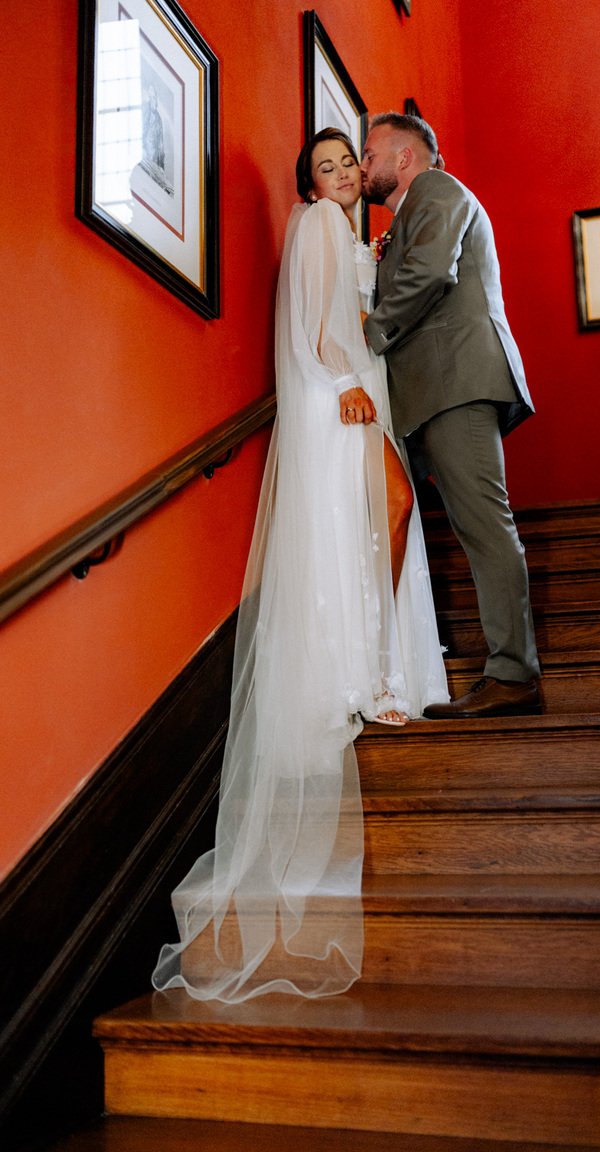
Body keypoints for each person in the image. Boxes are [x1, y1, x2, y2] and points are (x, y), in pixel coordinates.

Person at [151, 128, 448, 1002]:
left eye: (349, 161)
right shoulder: (318, 223)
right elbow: (317, 325)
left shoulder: (356, 237)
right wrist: (343, 379)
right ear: (311, 184)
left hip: (356, 390)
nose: (344, 173)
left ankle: (375, 670)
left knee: (368, 526)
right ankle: (371, 675)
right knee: (388, 509)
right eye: (327, 166)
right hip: (337, 396)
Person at [361, 113, 542, 719]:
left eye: (370, 154)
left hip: (455, 383)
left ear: (405, 158)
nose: (363, 166)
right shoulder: (408, 215)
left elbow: (433, 271)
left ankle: (513, 675)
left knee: (485, 526)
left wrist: (370, 332)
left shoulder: (437, 189)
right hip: (429, 392)